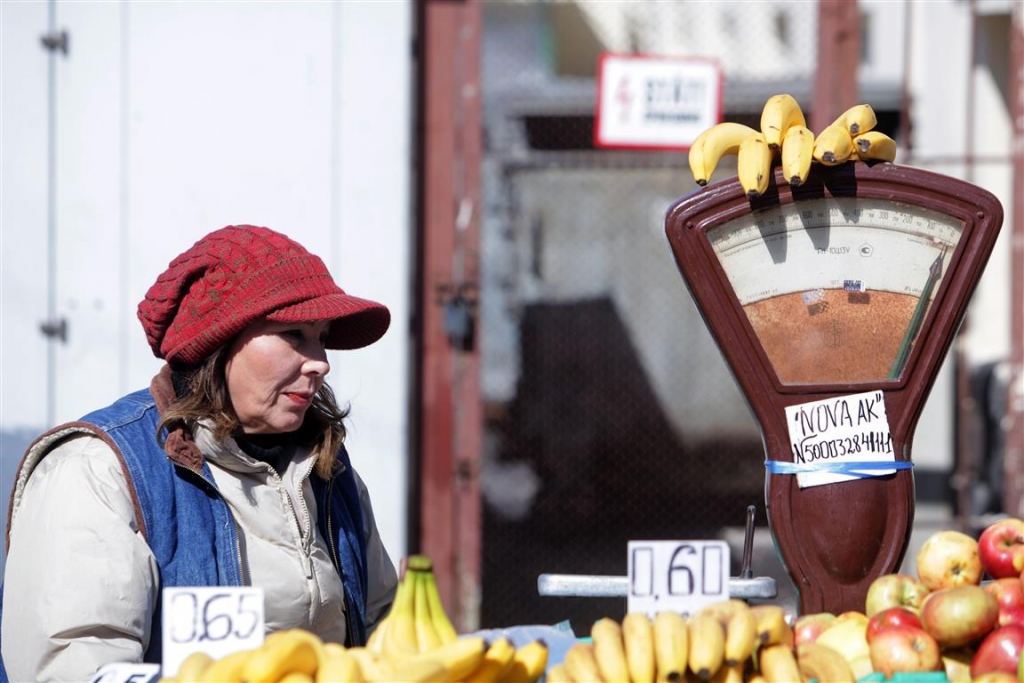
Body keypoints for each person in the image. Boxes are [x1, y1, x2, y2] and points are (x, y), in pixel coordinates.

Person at [0, 225, 399, 681]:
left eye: (322, 337)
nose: (320, 361)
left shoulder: (327, 468)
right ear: (216, 344)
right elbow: (72, 665)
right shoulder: (98, 469)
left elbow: (382, 629)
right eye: (294, 334)